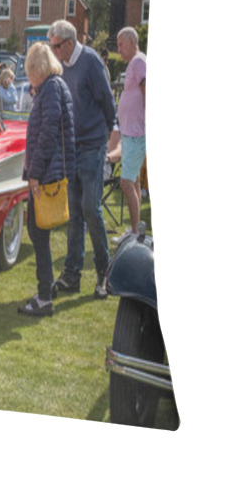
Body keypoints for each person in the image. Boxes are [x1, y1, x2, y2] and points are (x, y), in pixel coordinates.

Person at [48, 20, 117, 299]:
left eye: (55, 46)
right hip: (72, 146)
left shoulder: (90, 62)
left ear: (67, 43)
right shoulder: (62, 65)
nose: (52, 51)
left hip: (92, 145)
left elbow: (108, 105)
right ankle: (72, 274)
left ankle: (105, 273)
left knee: (91, 208)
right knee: (74, 213)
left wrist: (105, 141)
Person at [18, 42, 76, 316]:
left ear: (38, 69)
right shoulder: (55, 87)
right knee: (40, 233)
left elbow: (47, 134)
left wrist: (35, 173)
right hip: (52, 169)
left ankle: (43, 297)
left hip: (46, 173)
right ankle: (48, 287)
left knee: (38, 233)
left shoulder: (50, 89)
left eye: (31, 72)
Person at [112, 27, 147, 243]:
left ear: (132, 42)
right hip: (129, 133)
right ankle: (136, 228)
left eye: (120, 44)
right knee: (132, 182)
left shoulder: (138, 62)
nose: (118, 50)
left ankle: (135, 233)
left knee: (126, 183)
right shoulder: (135, 63)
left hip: (136, 134)